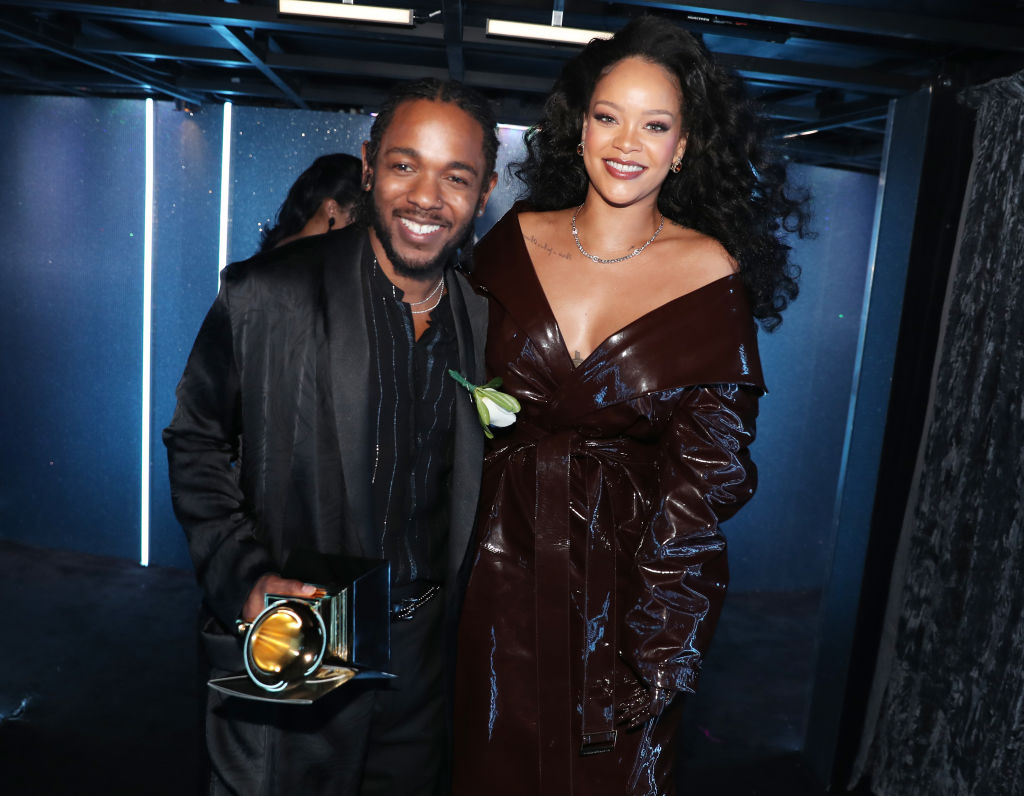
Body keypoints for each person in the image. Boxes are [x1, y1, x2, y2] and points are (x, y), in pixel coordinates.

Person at [452, 16, 808, 796]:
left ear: (682, 148)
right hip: (488, 573)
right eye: (609, 116)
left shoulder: (708, 271)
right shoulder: (507, 242)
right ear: (580, 127)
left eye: (656, 125)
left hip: (620, 596)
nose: (626, 142)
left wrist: (660, 643)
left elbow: (706, 476)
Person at [163, 78, 498, 795]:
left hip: (425, 659)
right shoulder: (267, 293)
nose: (426, 196)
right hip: (304, 627)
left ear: (485, 190)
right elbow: (195, 438)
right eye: (406, 165)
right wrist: (242, 573)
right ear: (370, 165)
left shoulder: (485, 322)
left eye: (456, 176)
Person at [257, 152, 362, 252]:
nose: (362, 227)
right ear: (332, 208)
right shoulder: (294, 259)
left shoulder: (284, 252)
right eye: (359, 214)